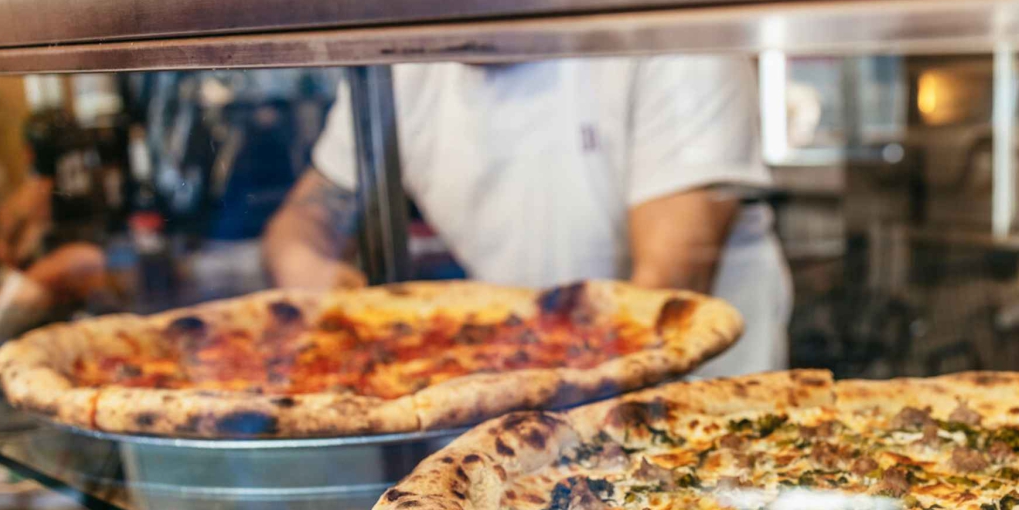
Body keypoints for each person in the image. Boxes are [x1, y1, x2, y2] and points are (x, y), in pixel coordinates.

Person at [262, 56, 792, 377]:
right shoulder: (407, 49)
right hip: (524, 388)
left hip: (693, 409)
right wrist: (313, 276)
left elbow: (665, 296)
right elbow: (307, 217)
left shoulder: (656, 6)